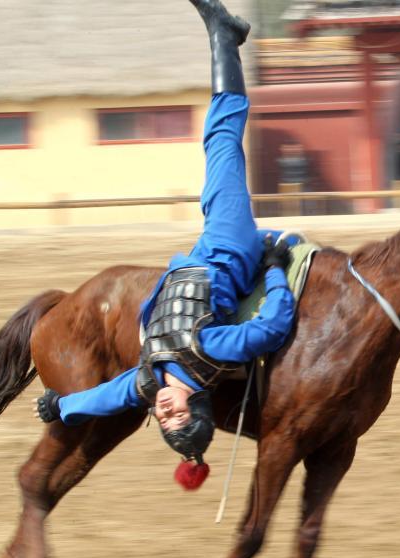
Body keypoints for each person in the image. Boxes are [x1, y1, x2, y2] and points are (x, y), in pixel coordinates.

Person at [35, 0, 295, 487]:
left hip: (194, 254)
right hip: (227, 250)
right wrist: (276, 267)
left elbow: (108, 396)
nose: (165, 412)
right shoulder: (211, 351)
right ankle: (225, 35)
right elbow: (272, 328)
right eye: (179, 418)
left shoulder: (149, 381)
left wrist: (62, 405)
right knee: (221, 142)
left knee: (215, 156)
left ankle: (225, 36)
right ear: (194, 406)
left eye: (165, 423)